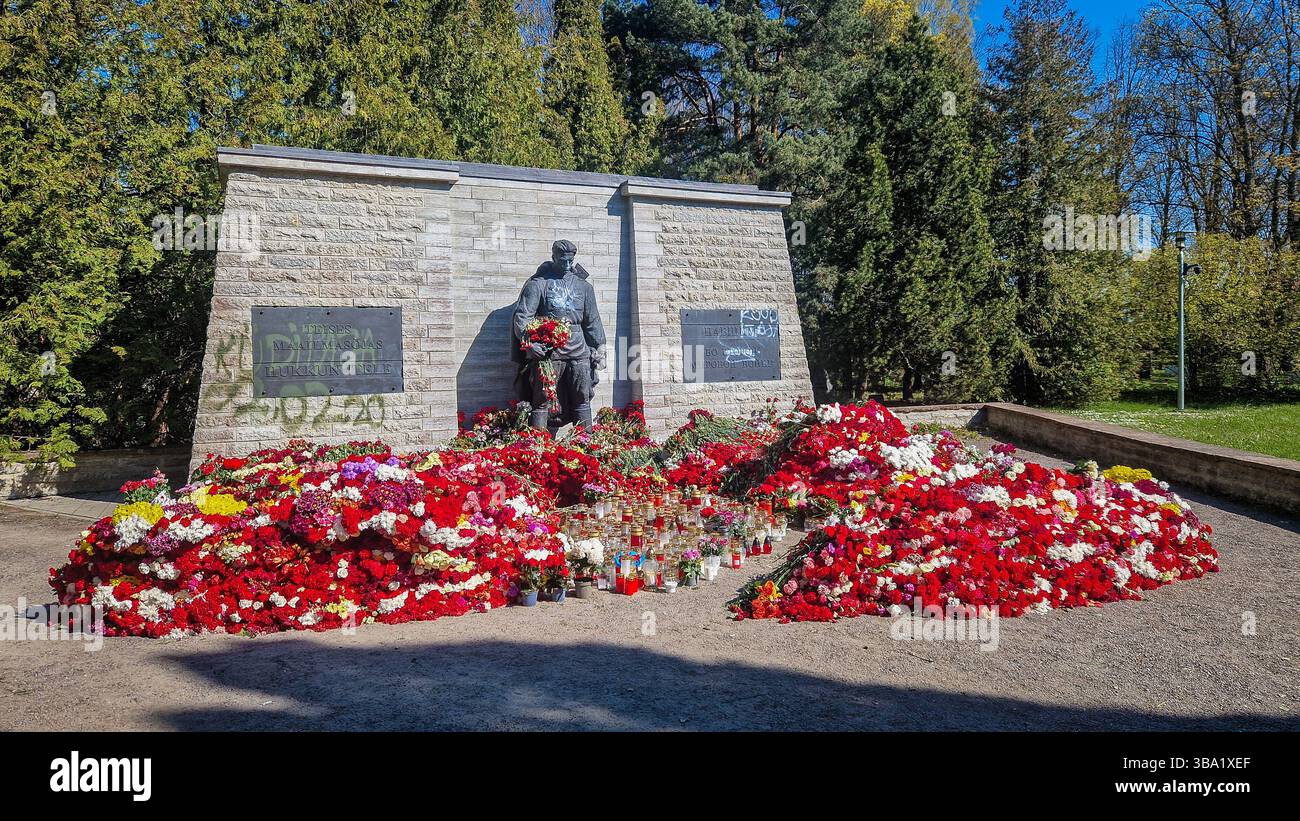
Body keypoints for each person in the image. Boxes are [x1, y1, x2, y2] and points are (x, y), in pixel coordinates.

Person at [511, 239, 607, 430]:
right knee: (542, 399)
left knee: (582, 397)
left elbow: (592, 320)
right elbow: (522, 317)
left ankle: (586, 443)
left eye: (570, 261)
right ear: (553, 257)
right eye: (562, 260)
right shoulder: (538, 285)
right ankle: (538, 446)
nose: (566, 265)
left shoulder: (584, 287)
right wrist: (530, 344)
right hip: (549, 351)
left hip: (579, 350)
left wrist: (600, 348)